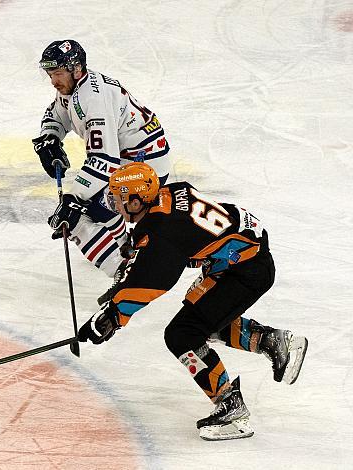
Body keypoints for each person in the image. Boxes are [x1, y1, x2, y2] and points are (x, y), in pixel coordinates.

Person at [76, 161, 308, 441]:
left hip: (246, 271)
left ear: (138, 202)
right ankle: (272, 341)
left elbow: (151, 281)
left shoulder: (160, 231)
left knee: (182, 334)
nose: (113, 204)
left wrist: (113, 316)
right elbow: (181, 241)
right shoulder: (169, 194)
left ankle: (232, 410)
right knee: (201, 322)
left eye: (119, 199)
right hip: (237, 261)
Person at [32, 39, 171, 277]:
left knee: (79, 215)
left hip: (142, 167)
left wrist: (74, 198)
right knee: (93, 207)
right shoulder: (75, 87)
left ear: (76, 69)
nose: (53, 82)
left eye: (57, 73)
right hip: (134, 161)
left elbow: (105, 160)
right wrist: (50, 138)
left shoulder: (93, 99)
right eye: (49, 74)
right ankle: (125, 248)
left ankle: (124, 274)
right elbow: (57, 113)